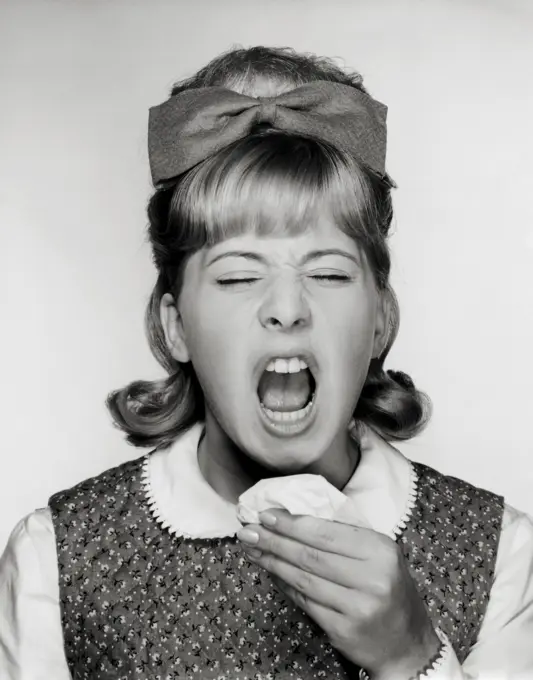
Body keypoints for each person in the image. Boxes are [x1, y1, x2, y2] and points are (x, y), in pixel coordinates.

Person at [1, 45, 533, 680]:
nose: (287, 308)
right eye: (237, 277)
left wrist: (412, 656)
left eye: (330, 272)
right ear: (176, 327)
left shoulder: (499, 552)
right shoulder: (58, 560)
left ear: (380, 322)